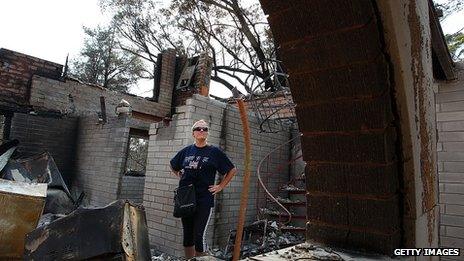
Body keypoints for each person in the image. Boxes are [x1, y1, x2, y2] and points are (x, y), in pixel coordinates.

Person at [170, 119, 237, 258]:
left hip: (204, 198)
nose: (202, 131)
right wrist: (179, 174)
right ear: (193, 133)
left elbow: (231, 169)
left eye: (205, 129)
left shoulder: (214, 152)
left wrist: (220, 186)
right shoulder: (186, 151)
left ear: (207, 133)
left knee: (199, 235)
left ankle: (200, 258)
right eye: (199, 129)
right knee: (187, 233)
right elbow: (173, 164)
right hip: (186, 198)